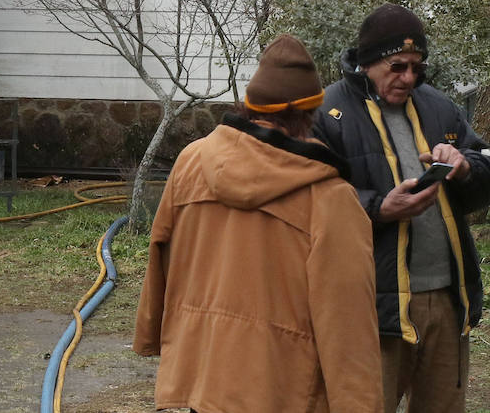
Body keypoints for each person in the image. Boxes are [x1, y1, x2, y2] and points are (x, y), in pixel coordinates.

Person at [134, 34, 382, 413]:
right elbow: (347, 325)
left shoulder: (191, 163)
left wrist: (151, 334)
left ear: (251, 107)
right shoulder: (329, 197)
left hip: (204, 376)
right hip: (281, 388)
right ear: (309, 114)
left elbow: (159, 255)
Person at [311, 3, 490, 413]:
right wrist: (380, 208)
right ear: (367, 63)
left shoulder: (439, 107)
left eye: (417, 67)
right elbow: (311, 201)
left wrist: (466, 167)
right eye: (397, 66)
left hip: (447, 301)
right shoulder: (327, 112)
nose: (409, 78)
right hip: (370, 306)